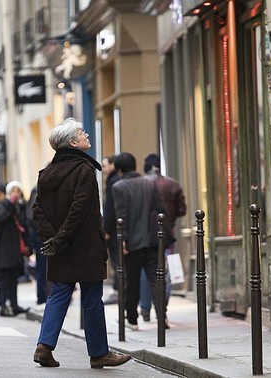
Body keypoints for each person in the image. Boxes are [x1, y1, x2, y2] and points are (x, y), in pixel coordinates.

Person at [32, 118, 131, 369]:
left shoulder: (46, 174)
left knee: (59, 295)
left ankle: (44, 346)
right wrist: (61, 238)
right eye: (81, 132)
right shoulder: (84, 170)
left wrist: (53, 238)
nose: (86, 134)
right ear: (73, 142)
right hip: (84, 246)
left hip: (61, 247)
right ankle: (99, 353)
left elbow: (37, 211)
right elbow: (80, 209)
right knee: (91, 299)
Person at [111, 152, 167, 331]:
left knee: (131, 281)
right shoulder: (150, 183)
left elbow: (122, 215)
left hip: (132, 242)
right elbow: (161, 209)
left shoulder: (118, 187)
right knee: (156, 279)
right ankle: (161, 316)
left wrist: (124, 239)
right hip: (151, 239)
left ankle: (132, 320)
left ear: (119, 169)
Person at [138, 153, 187, 321]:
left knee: (147, 270)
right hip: (167, 233)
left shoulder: (141, 184)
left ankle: (145, 308)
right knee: (165, 271)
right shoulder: (172, 184)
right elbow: (182, 210)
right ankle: (162, 308)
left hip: (145, 235)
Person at [0, 183, 29, 316]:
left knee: (13, 276)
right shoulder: (0, 205)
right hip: (3, 247)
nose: (15, 193)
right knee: (4, 277)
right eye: (13, 191)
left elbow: (24, 222)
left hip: (14, 247)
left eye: (18, 191)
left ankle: (14, 304)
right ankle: (3, 304)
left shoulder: (19, 205)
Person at [101, 154, 121, 304]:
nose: (103, 169)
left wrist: (106, 229)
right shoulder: (116, 181)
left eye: (105, 165)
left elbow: (110, 208)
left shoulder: (113, 183)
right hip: (117, 228)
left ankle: (119, 290)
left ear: (113, 165)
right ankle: (118, 289)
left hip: (114, 230)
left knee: (117, 261)